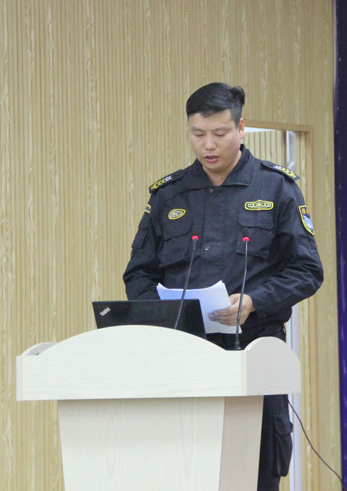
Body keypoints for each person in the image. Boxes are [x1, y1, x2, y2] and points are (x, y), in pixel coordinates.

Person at [123, 82, 323, 491]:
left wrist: (254, 300)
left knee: (254, 473)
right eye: (198, 134)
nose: (208, 145)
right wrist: (161, 316)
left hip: (252, 352)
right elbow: (139, 274)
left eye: (219, 133)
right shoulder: (169, 194)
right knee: (183, 473)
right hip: (183, 359)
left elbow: (306, 270)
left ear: (240, 128)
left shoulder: (276, 188)